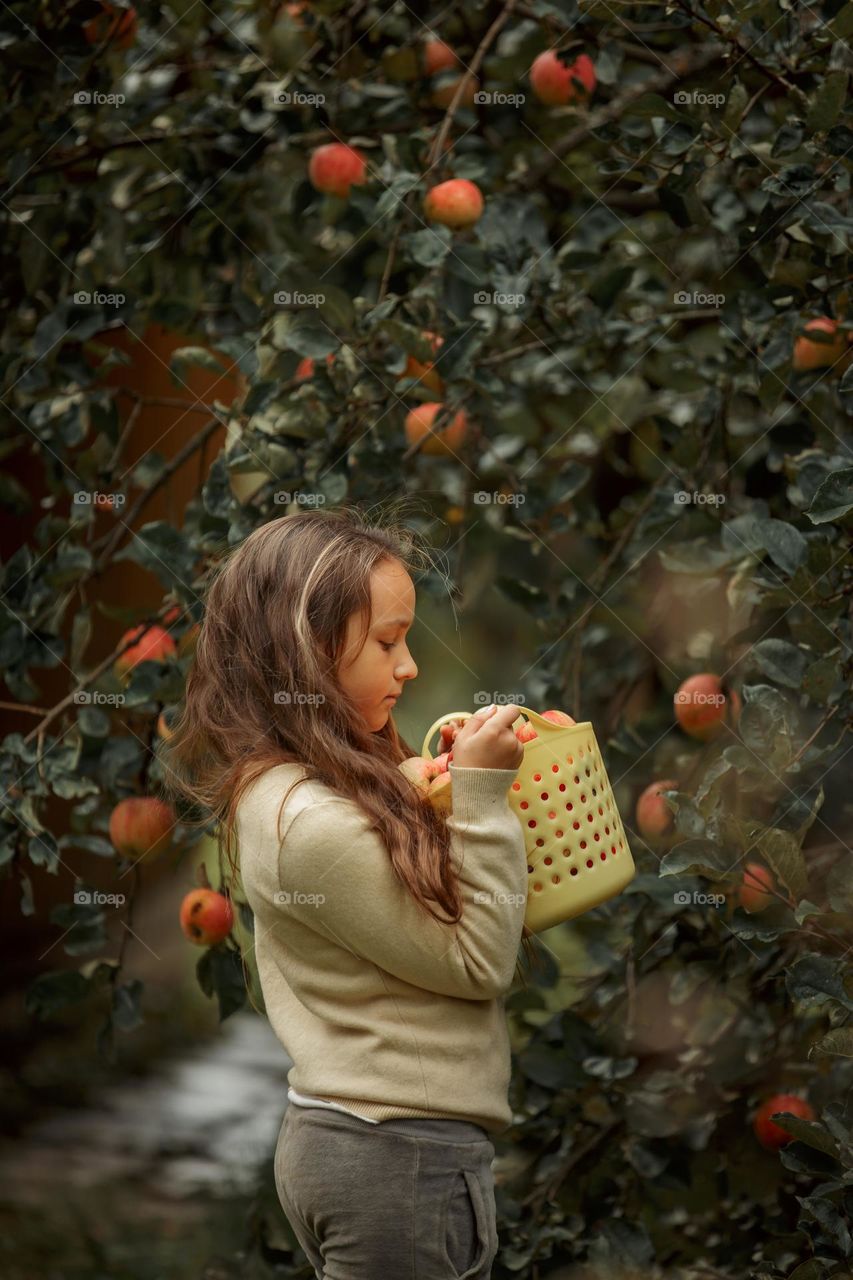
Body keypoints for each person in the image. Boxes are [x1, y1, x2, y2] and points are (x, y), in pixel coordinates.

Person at [162, 506, 538, 1279]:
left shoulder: (299, 792)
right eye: (387, 643)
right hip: (395, 1155)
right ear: (305, 653)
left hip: (376, 1149)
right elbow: (478, 962)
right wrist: (481, 798)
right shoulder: (308, 825)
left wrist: (444, 784)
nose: (408, 668)